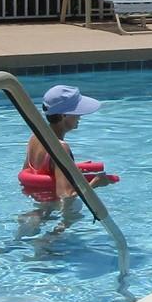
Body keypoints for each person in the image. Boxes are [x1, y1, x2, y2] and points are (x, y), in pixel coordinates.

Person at [18, 84, 117, 247]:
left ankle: (29, 225)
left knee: (45, 211)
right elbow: (67, 195)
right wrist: (96, 182)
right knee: (75, 212)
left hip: (41, 198)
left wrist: (70, 169)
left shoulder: (35, 137)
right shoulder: (60, 148)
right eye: (77, 113)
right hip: (56, 200)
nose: (80, 117)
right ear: (64, 115)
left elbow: (31, 173)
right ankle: (48, 241)